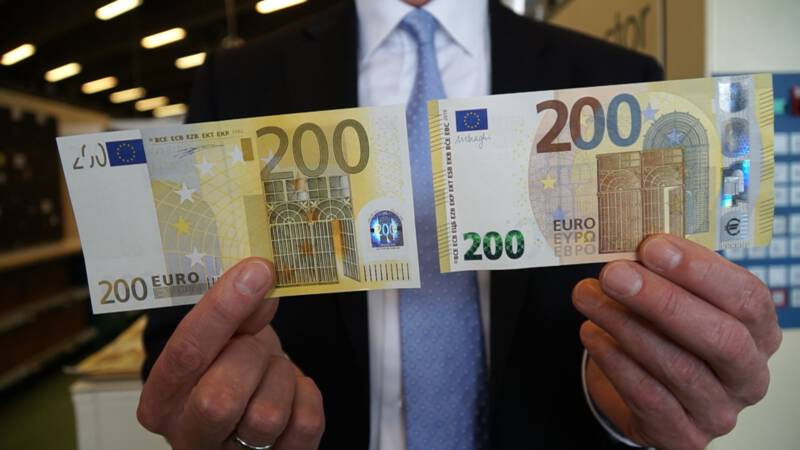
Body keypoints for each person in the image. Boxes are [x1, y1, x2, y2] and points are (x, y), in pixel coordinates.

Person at [137, 1, 782, 449]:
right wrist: (228, 417)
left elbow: (654, 316)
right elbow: (181, 330)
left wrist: (639, 400)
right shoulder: (236, 83)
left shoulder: (616, 76)